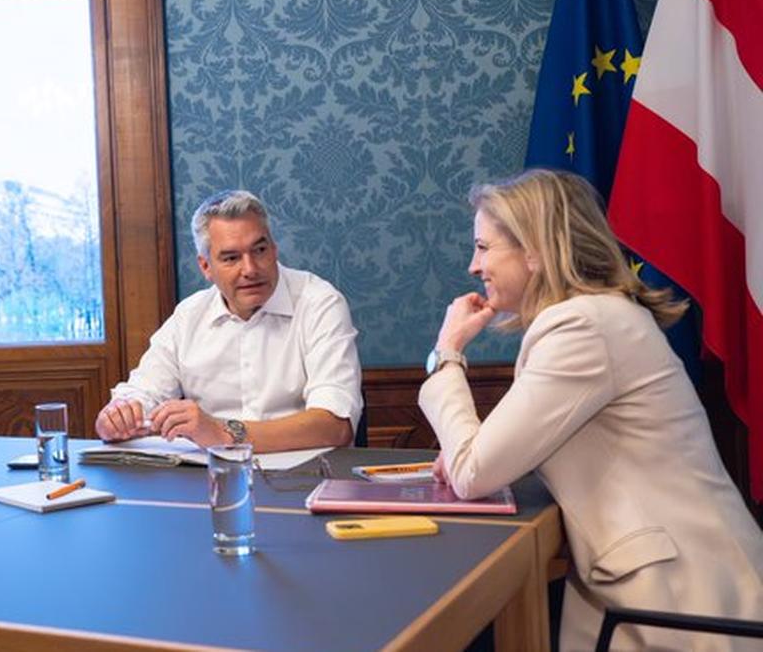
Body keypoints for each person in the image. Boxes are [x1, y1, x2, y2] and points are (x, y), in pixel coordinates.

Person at [420, 169, 763, 651]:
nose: (474, 266)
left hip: (683, 604)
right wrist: (470, 451)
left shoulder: (580, 327)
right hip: (660, 587)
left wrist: (447, 352)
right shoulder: (595, 317)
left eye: (483, 247)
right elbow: (498, 454)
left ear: (534, 249)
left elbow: (473, 471)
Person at [95, 190, 363, 452]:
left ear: (274, 249)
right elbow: (143, 392)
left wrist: (222, 432)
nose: (250, 269)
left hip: (303, 481)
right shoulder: (189, 316)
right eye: (231, 258)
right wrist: (118, 417)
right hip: (210, 479)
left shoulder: (320, 303)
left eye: (259, 250)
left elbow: (335, 425)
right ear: (206, 267)